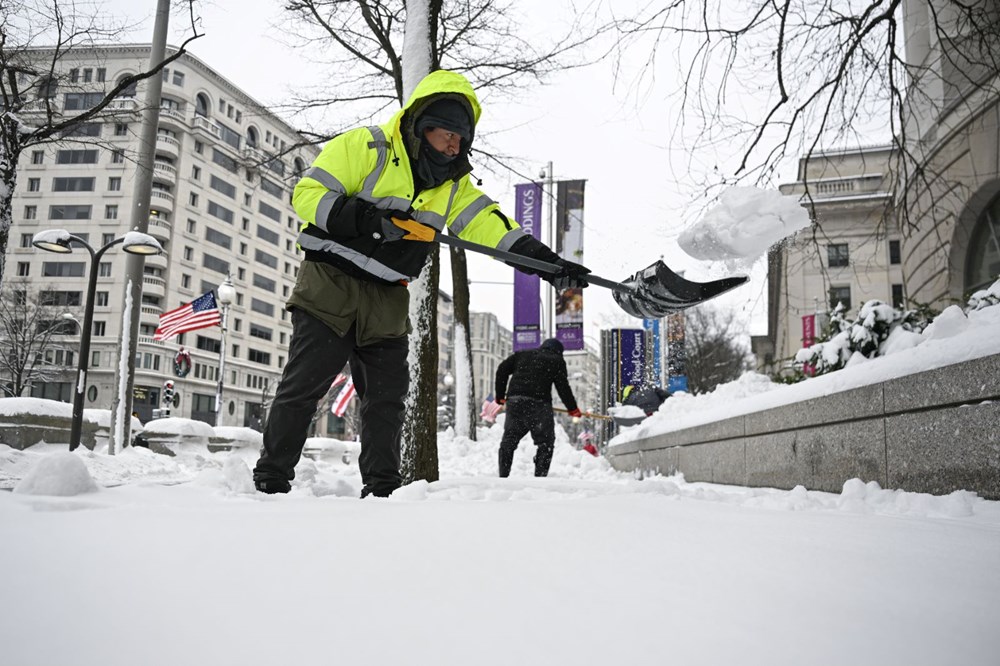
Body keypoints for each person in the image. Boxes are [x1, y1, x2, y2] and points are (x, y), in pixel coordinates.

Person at [252, 70, 590, 497]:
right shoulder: (366, 147)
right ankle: (271, 478)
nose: (454, 144)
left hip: (389, 295)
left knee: (387, 400)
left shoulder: (454, 186)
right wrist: (369, 221)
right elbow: (308, 194)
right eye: (447, 133)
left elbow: (493, 228)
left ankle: (382, 490)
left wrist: (550, 265)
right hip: (330, 283)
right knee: (304, 386)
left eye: (461, 137)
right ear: (421, 125)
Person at [494, 338, 582, 477]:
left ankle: (503, 475)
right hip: (538, 405)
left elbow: (501, 370)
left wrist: (500, 395)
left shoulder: (523, 354)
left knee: (508, 441)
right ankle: (540, 478)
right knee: (545, 443)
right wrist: (573, 408)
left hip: (515, 402)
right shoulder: (556, 360)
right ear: (559, 352)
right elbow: (562, 387)